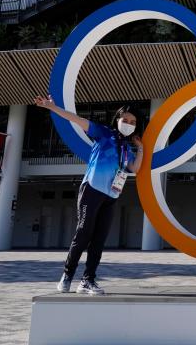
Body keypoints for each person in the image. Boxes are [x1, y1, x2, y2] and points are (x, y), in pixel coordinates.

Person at [34, 95, 144, 295]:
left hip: (111, 196)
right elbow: (75, 119)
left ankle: (87, 280)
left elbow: (135, 168)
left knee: (99, 239)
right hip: (92, 190)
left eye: (133, 122)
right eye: (125, 120)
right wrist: (52, 107)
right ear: (117, 119)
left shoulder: (127, 148)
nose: (129, 124)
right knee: (83, 233)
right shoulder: (103, 133)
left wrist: (141, 148)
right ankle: (67, 275)